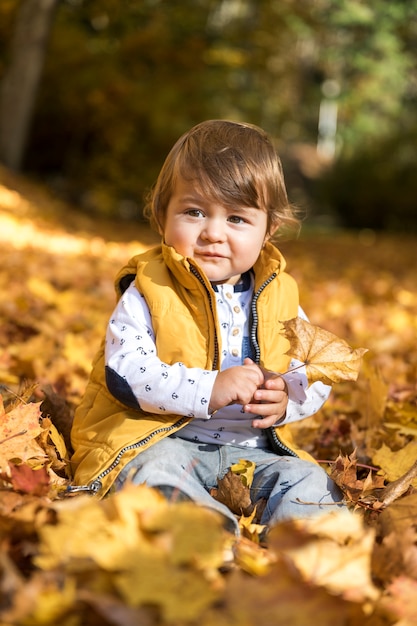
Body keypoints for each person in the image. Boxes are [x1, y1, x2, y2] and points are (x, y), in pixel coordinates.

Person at [70, 119, 343, 534]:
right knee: (149, 473)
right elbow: (124, 373)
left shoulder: (280, 296)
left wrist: (289, 397)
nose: (213, 232)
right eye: (194, 212)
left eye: (236, 218)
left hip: (253, 456)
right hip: (162, 441)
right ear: (162, 217)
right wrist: (209, 389)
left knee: (310, 483)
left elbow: (316, 373)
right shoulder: (150, 288)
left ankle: (302, 546)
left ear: (269, 229)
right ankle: (203, 533)